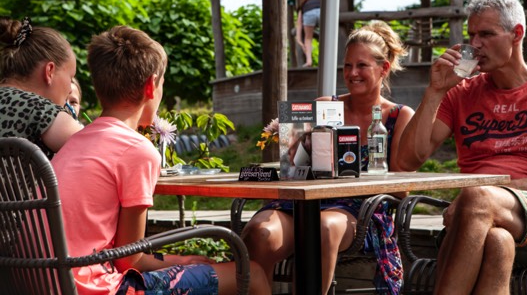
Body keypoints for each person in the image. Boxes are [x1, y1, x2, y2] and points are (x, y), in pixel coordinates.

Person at [395, 0, 527, 295]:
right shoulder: (460, 92)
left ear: (517, 34)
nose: (474, 44)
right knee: (496, 242)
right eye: (471, 35)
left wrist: (485, 196)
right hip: (474, 224)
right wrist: (435, 91)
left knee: (476, 198)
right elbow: (407, 162)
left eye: (486, 34)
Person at [51, 25, 270, 295]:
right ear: (151, 86)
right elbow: (128, 259)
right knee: (254, 273)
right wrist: (183, 259)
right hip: (94, 288)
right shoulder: (136, 149)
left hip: (45, 281)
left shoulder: (76, 141)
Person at [243, 21, 415, 294]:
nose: (352, 73)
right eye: (347, 66)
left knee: (322, 229)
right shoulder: (325, 105)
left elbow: (402, 189)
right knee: (259, 233)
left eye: (362, 66)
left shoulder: (399, 116)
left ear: (383, 68)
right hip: (304, 205)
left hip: (360, 212)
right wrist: (295, 153)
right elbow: (296, 166)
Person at [0, 16, 82, 158]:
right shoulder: (41, 110)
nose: (70, 89)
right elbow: (98, 149)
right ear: (49, 71)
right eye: (70, 77)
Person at [295, 0, 320, 67]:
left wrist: (299, 40)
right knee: (325, 37)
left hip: (309, 14)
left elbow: (299, 24)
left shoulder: (303, 5)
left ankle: (309, 61)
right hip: (321, 11)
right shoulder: (318, 1)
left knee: (308, 38)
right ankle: (327, 59)